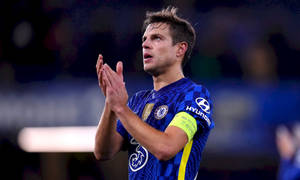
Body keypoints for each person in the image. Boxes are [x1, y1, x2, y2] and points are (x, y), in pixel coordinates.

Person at [94, 6, 214, 180]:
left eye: (156, 38)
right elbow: (103, 151)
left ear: (180, 49)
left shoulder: (194, 95)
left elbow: (166, 148)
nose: (145, 44)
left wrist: (121, 108)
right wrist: (111, 102)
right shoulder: (137, 101)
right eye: (144, 39)